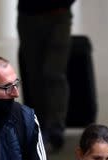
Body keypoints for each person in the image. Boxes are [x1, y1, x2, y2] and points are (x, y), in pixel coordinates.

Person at [17, 0, 75, 152]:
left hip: (59, 16)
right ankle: (40, 125)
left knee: (54, 73)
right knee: (34, 76)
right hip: (28, 16)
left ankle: (55, 127)